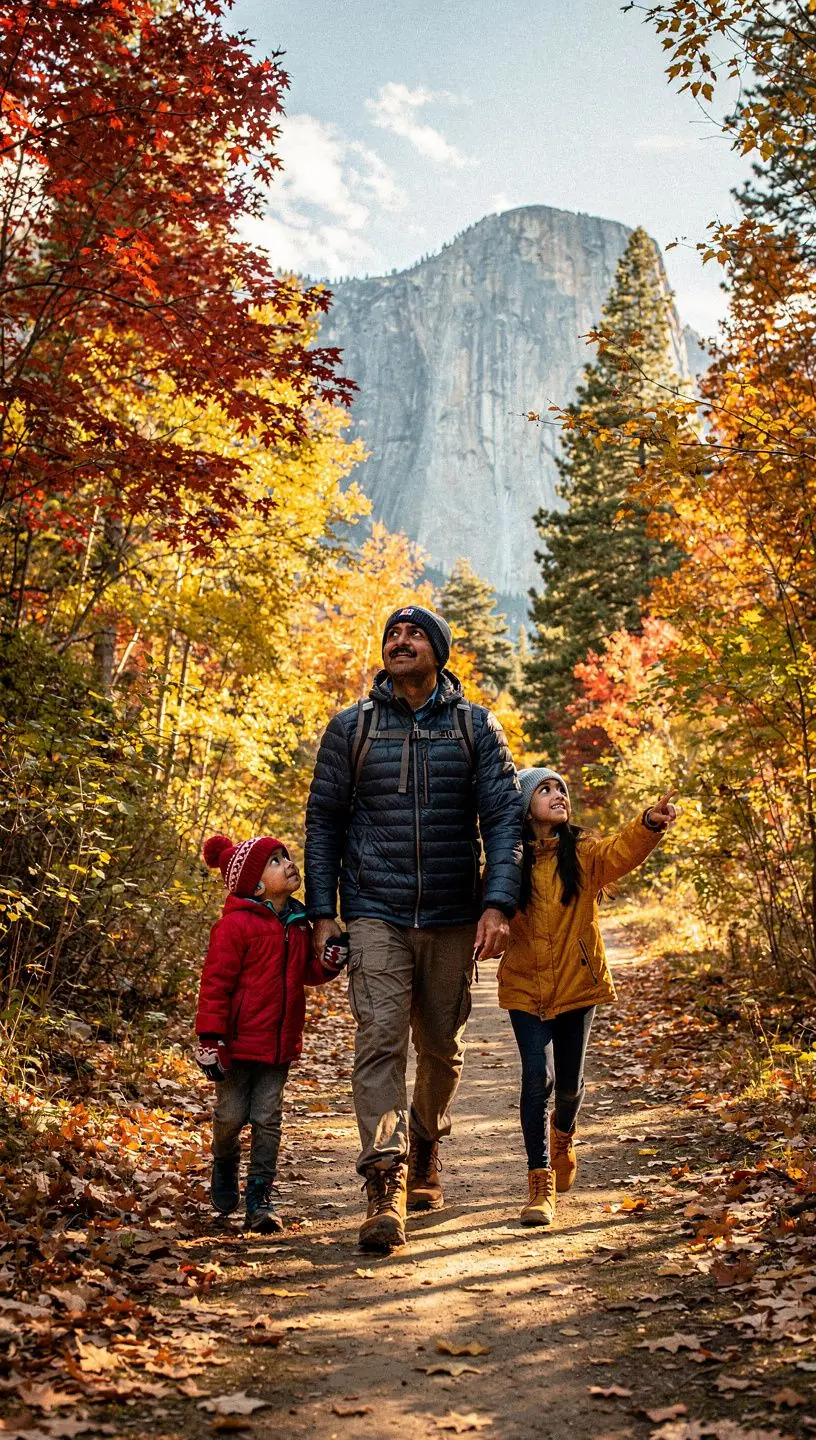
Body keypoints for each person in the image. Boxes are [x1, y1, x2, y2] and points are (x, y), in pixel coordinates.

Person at [305, 603, 523, 1252]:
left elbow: (504, 820)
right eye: (392, 635)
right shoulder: (352, 728)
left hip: (456, 912)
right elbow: (323, 823)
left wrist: (498, 905)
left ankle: (426, 1137)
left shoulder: (476, 728)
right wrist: (324, 915)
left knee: (440, 1047)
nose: (400, 642)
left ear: (439, 652)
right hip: (375, 910)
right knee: (378, 1040)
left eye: (414, 634)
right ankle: (383, 1183)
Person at [498, 768, 678, 1228]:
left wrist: (649, 823)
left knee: (571, 1086)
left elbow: (622, 849)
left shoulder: (583, 854)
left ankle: (564, 1134)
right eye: (545, 789)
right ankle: (539, 1181)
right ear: (524, 804)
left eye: (561, 789)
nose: (558, 795)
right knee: (537, 1078)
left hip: (578, 985)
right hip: (524, 986)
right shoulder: (505, 862)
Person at [195, 832, 348, 1234]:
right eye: (276, 861)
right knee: (229, 1117)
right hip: (235, 1045)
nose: (288, 863)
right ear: (256, 884)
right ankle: (225, 1164)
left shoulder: (299, 924)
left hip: (277, 1046)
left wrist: (329, 963)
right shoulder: (234, 927)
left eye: (285, 856)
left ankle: (260, 1197)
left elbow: (305, 974)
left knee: (268, 1120)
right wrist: (210, 1039)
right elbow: (215, 985)